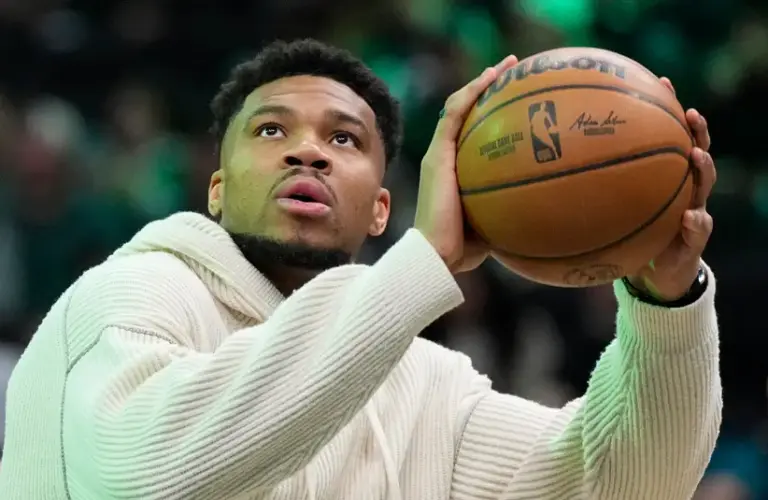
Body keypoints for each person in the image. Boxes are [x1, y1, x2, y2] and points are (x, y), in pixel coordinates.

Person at [0, 39, 720, 500]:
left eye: (343, 138)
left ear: (382, 210)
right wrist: (422, 262)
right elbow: (145, 479)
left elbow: (623, 483)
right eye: (271, 129)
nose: (306, 152)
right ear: (216, 189)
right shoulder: (123, 299)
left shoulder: (424, 388)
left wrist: (666, 301)